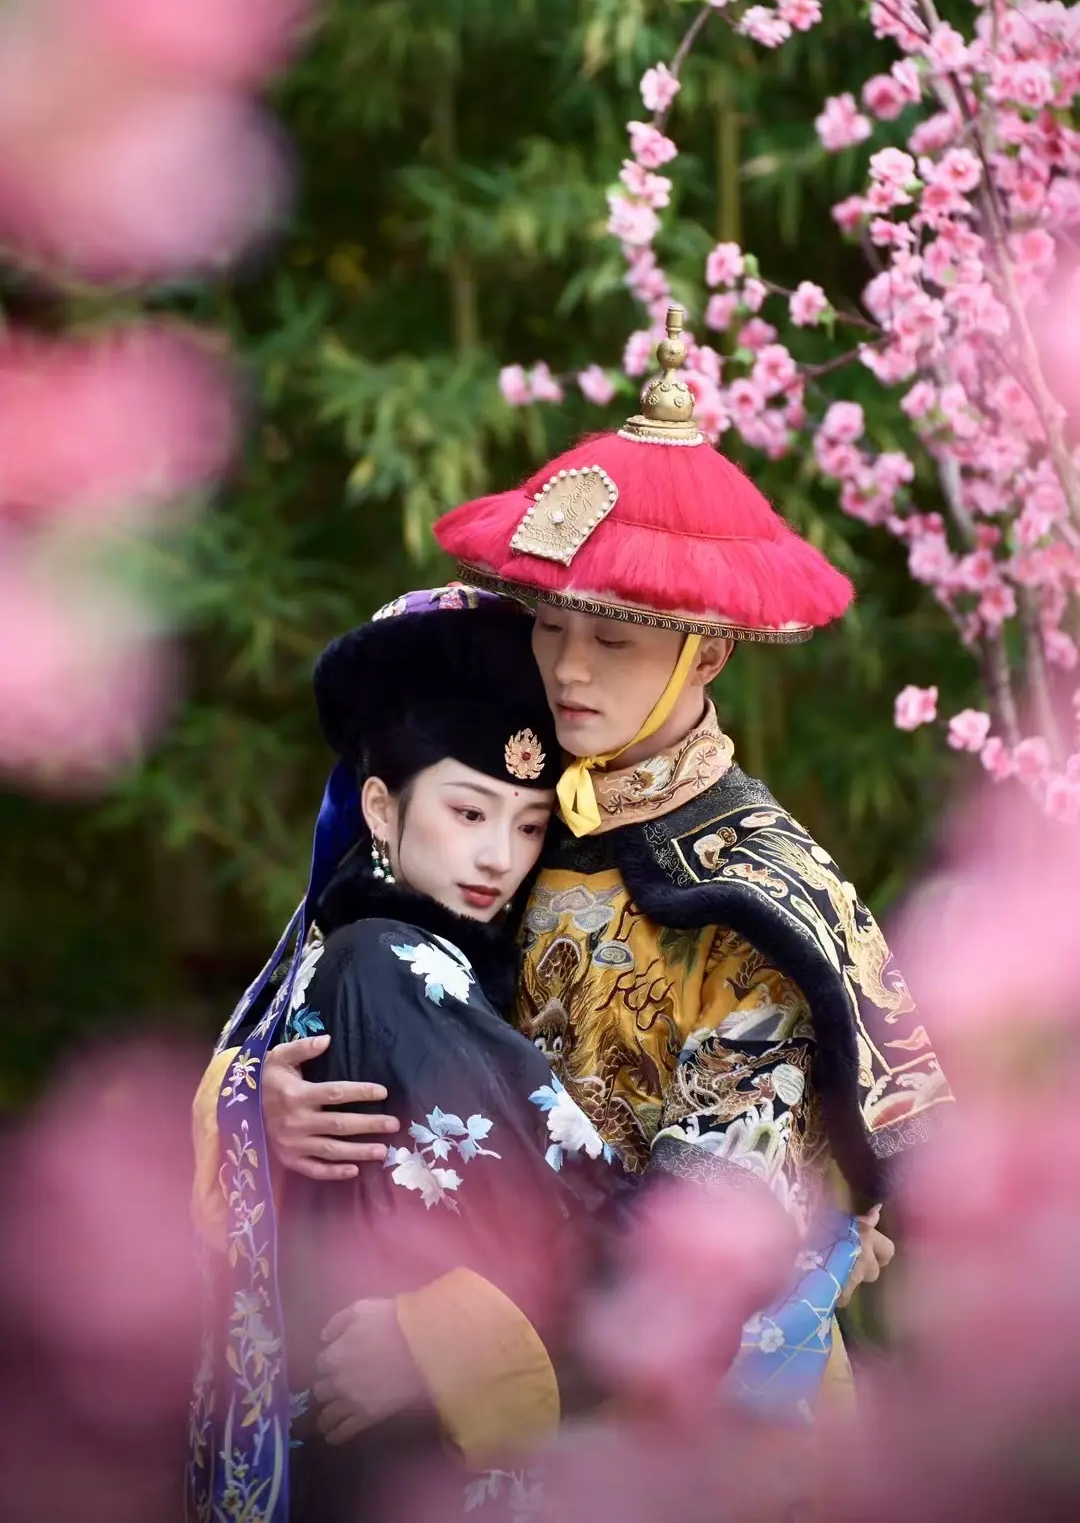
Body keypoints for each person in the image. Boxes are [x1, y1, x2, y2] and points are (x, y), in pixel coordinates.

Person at [249, 308, 951, 1424]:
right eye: (550, 627)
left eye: (614, 640)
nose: (568, 670)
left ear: (707, 653)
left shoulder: (760, 905)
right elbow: (339, 1009)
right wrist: (276, 1111)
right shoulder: (512, 801)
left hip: (665, 1430)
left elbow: (698, 1255)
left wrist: (444, 1346)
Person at [187, 587, 630, 1523]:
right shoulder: (388, 962)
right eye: (468, 813)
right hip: (404, 1450)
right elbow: (583, 1219)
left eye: (528, 824)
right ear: (381, 809)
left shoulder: (362, 958)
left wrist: (247, 1106)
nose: (499, 858)